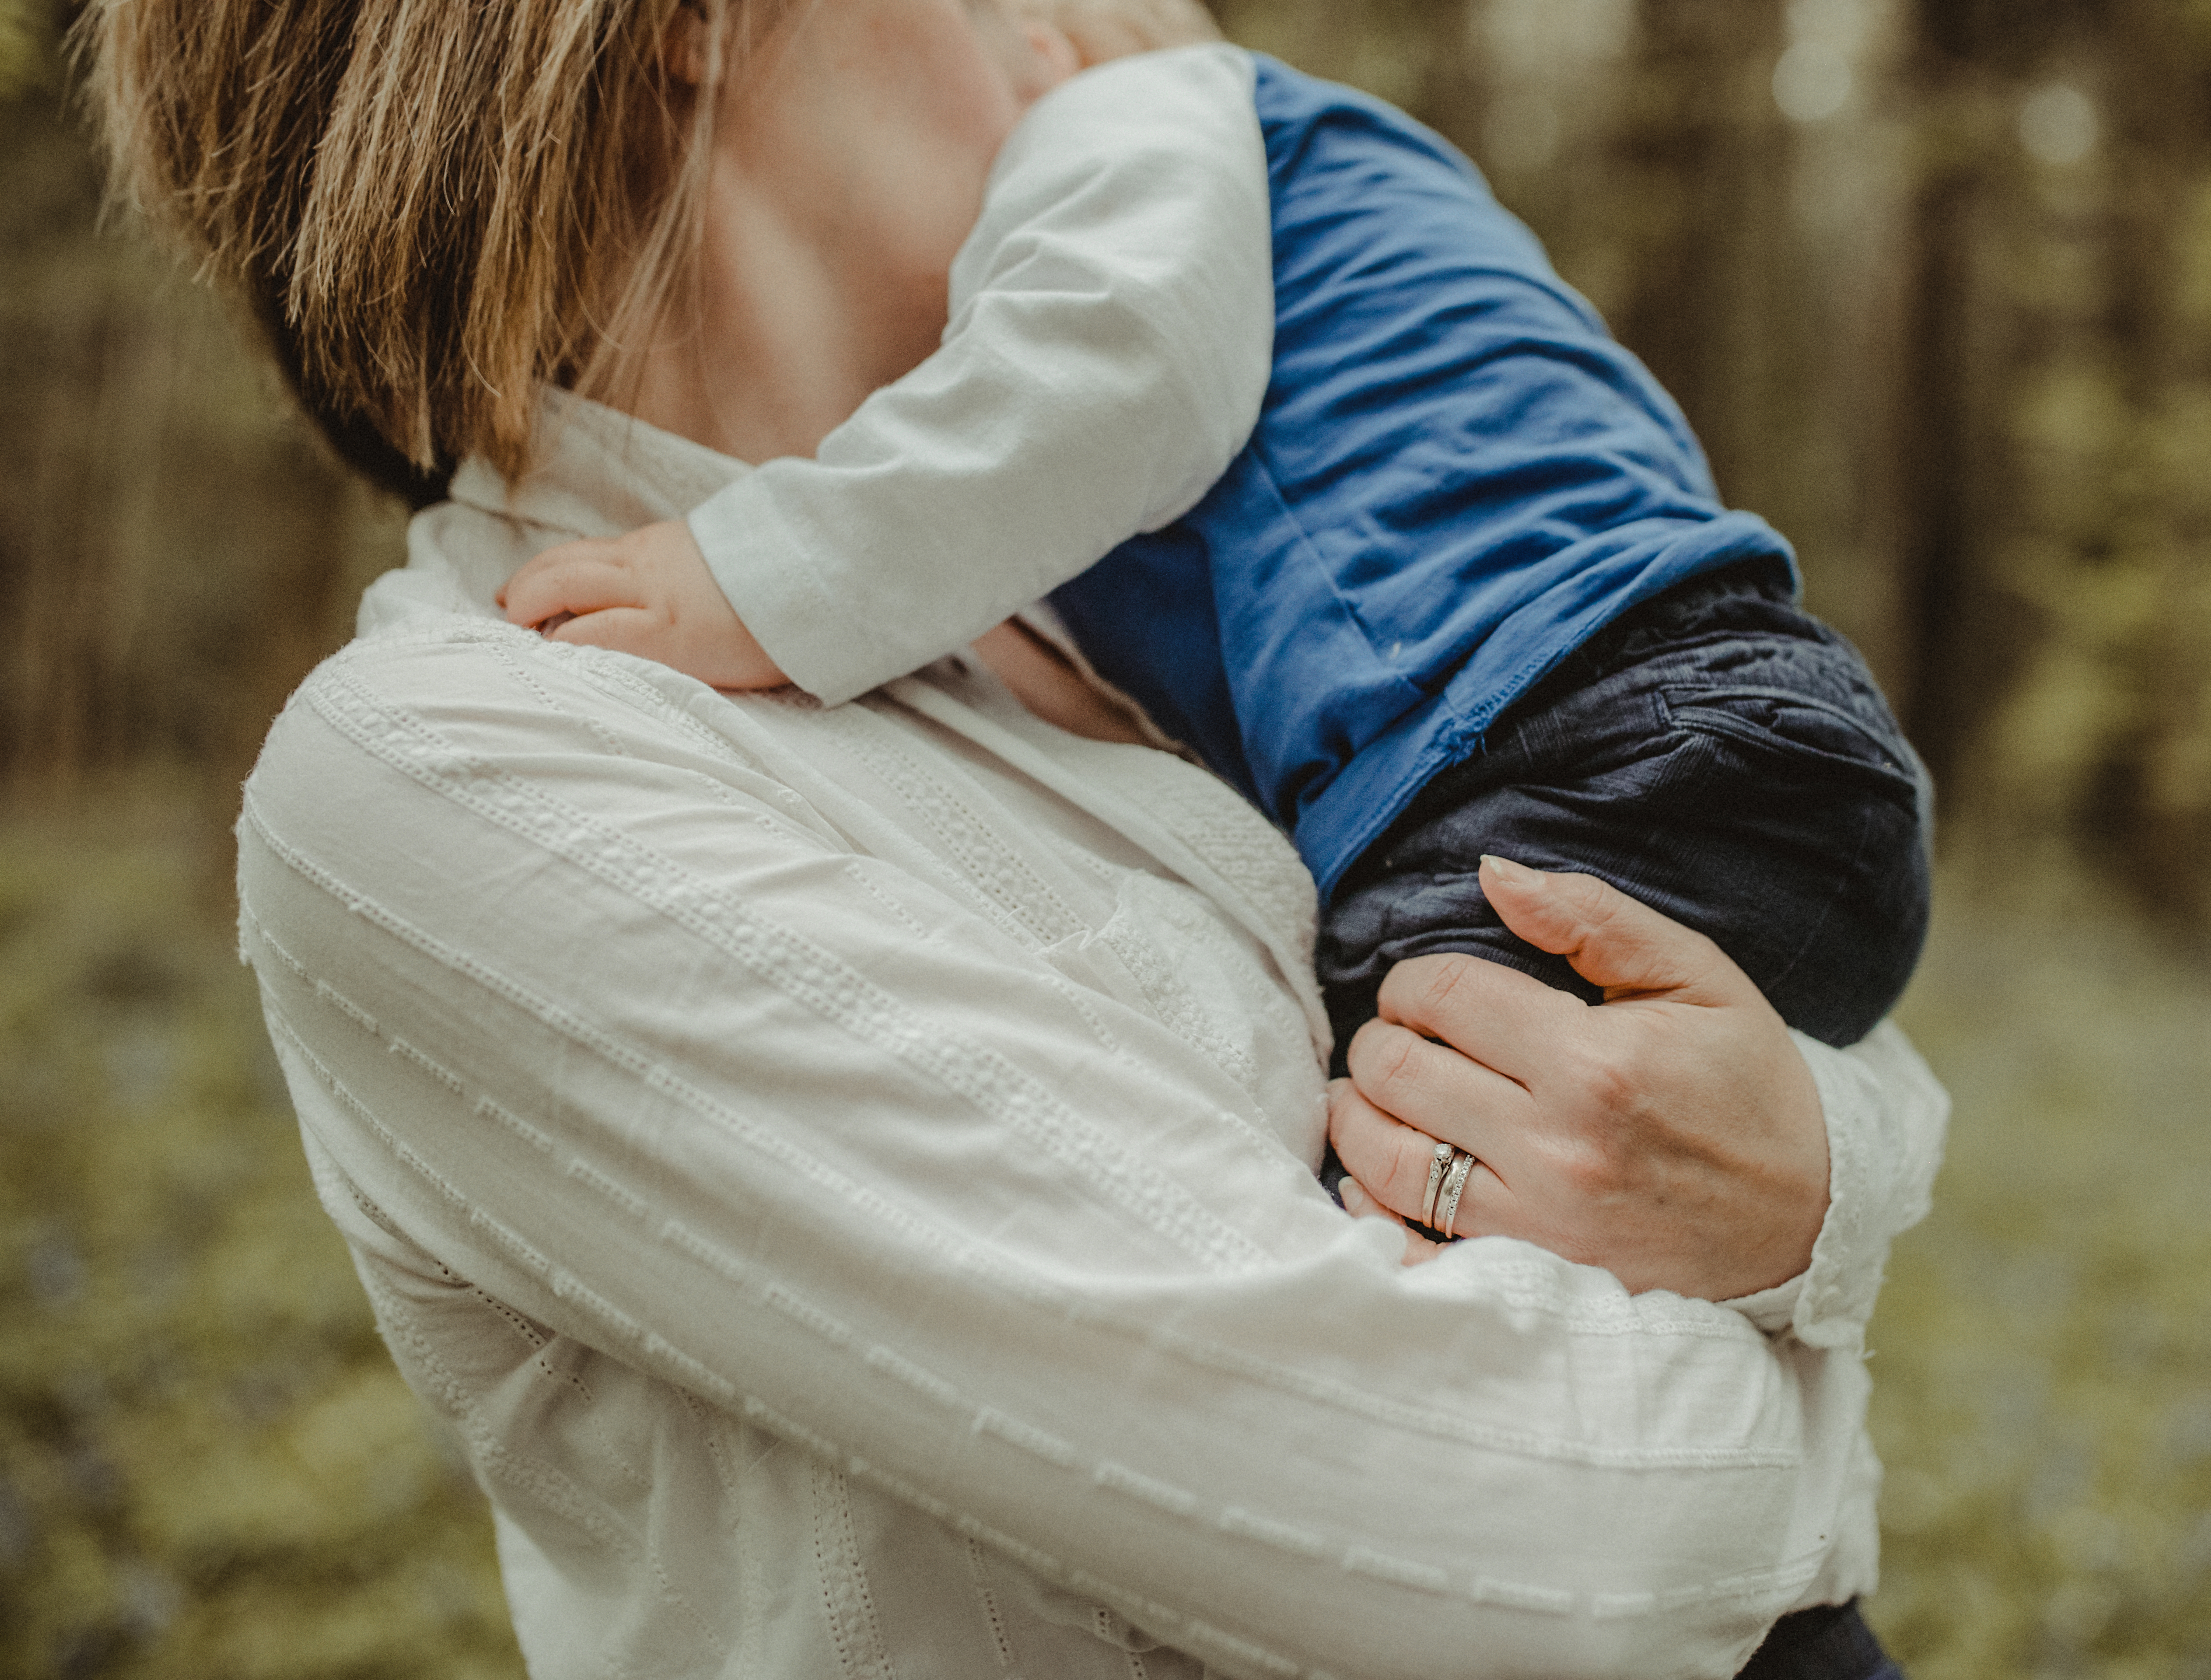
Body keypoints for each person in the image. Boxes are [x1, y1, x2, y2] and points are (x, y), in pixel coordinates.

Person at [86, 0, 1947, 1675]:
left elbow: (1661, 1006)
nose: (1068, 33)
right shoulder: (454, 766)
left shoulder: (1121, 607)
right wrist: (1790, 1273)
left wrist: (1808, 1187)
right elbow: (1538, 1552)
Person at [497, 17, 1934, 1106]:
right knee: (1603, 1186)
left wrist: (761, 578)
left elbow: (1117, 364)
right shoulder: (1310, 204)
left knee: (1394, 1212)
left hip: (1564, 751)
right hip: (1749, 726)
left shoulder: (1140, 110)